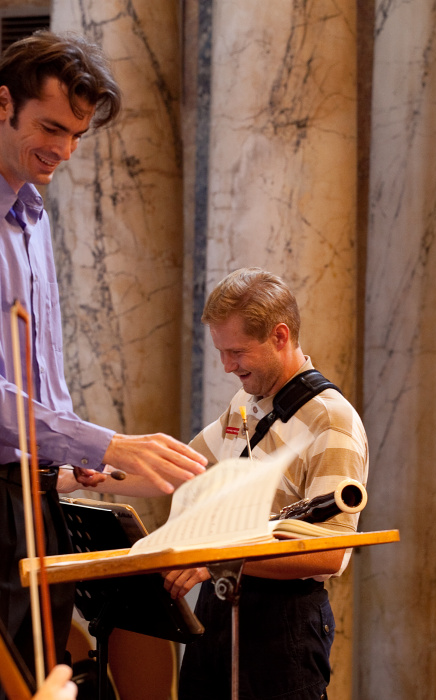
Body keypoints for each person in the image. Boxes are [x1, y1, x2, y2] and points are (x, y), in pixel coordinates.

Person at [0, 30, 206, 700]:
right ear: (3, 104)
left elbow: (36, 378)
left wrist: (72, 459)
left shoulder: (31, 213)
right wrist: (107, 442)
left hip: (31, 499)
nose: (63, 150)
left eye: (76, 135)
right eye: (51, 128)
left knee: (43, 686)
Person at [164, 267, 368, 700]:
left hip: (281, 624)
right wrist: (90, 468)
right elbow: (184, 465)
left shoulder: (332, 420)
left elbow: (330, 554)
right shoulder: (248, 400)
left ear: (279, 336)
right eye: (220, 352)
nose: (226, 367)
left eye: (236, 352)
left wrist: (219, 559)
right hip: (217, 609)